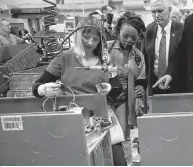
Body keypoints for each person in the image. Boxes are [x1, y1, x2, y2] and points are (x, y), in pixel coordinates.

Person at [31, 16, 127, 166]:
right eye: (86, 36)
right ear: (77, 34)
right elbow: (36, 87)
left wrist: (110, 88)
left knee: (118, 160)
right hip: (74, 121)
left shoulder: (104, 59)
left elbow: (118, 92)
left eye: (95, 39)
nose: (90, 42)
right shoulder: (65, 58)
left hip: (103, 118)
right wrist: (44, 89)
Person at [107, 10, 146, 164]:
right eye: (125, 36)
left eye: (133, 38)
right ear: (118, 32)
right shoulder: (107, 49)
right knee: (106, 134)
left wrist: (141, 88)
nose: (129, 40)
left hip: (124, 101)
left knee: (124, 134)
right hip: (106, 100)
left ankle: (126, 163)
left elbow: (141, 77)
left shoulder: (138, 55)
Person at [144, 0, 184, 96]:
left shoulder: (182, 30)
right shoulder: (149, 30)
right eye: (153, 12)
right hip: (155, 87)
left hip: (177, 86)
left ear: (169, 10)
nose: (156, 15)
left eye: (160, 11)